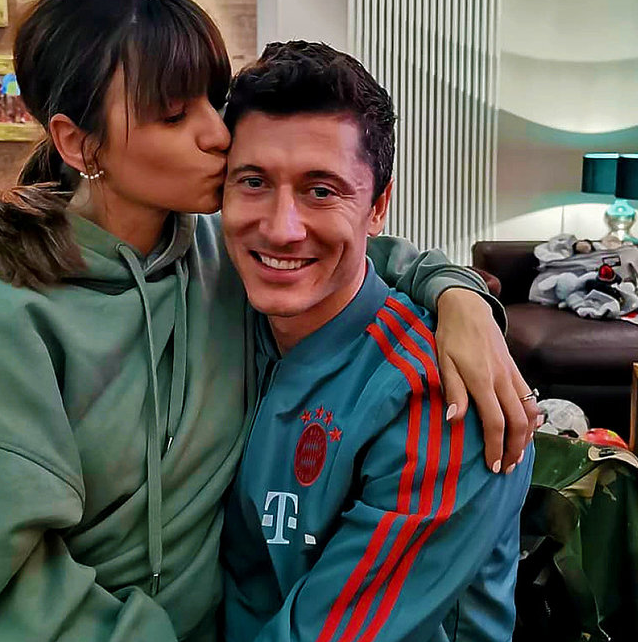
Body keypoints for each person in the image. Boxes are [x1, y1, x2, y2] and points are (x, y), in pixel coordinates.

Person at [0, 2, 535, 641]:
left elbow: (351, 253)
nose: (217, 134)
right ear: (77, 142)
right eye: (172, 113)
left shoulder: (219, 260)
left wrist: (460, 294)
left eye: (211, 102)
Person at [220, 42, 533, 642]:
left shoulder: (439, 398)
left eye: (321, 191)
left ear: (378, 206)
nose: (281, 229)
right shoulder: (225, 312)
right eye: (253, 182)